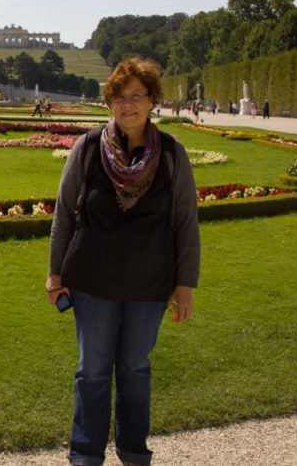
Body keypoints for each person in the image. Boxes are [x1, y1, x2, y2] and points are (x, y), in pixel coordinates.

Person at [47, 57, 200, 466]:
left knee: (134, 369)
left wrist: (184, 285)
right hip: (92, 281)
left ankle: (134, 452)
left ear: (152, 101)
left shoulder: (172, 154)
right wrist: (54, 273)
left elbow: (186, 222)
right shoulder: (89, 147)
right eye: (119, 96)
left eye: (137, 96)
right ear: (109, 102)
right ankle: (85, 456)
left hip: (149, 285)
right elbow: (63, 212)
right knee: (92, 371)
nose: (128, 104)